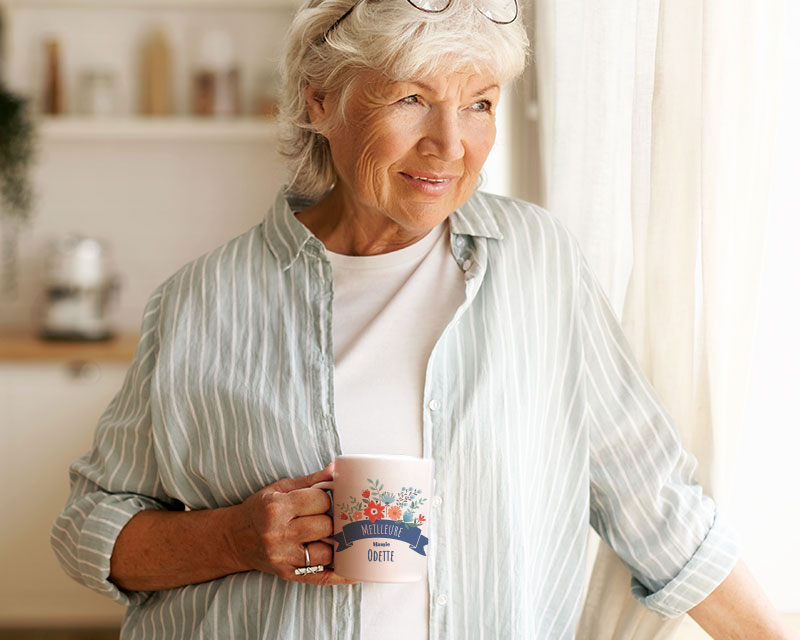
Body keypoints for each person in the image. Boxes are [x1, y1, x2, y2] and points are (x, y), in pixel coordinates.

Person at [51, 0, 795, 637]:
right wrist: (237, 538)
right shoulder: (202, 300)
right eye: (410, 98)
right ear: (321, 99)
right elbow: (88, 527)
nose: (451, 144)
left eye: (479, 102)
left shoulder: (537, 262)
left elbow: (654, 504)